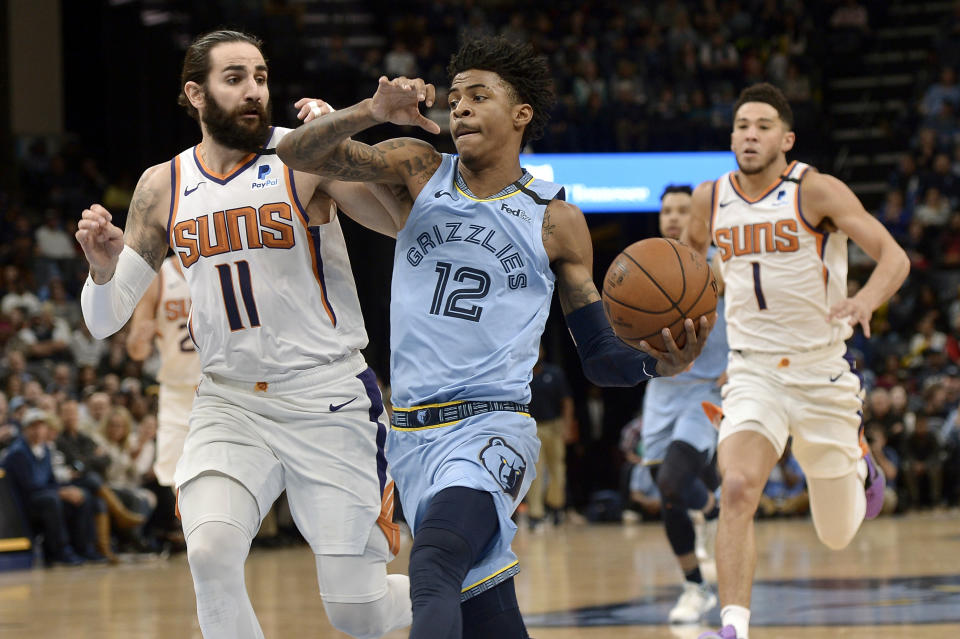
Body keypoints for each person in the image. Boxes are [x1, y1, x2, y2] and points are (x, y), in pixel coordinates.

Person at [277, 36, 713, 639]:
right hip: (410, 439)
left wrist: (655, 367)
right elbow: (298, 154)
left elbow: (601, 356)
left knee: (433, 566)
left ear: (520, 115)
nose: (460, 108)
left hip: (491, 432)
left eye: (479, 97)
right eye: (454, 98)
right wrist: (369, 114)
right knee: (489, 616)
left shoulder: (554, 220)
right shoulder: (418, 169)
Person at [75, 29, 411, 639]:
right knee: (209, 553)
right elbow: (104, 317)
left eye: (260, 77)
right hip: (229, 401)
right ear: (195, 94)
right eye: (235, 79)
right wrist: (102, 268)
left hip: (326, 396)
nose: (254, 91)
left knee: (357, 612)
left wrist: (346, 143)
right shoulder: (163, 185)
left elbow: (401, 224)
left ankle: (458, 602)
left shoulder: (301, 154)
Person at [684, 83, 910, 639]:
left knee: (836, 534)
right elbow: (696, 281)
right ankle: (733, 626)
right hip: (753, 369)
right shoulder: (708, 199)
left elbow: (894, 256)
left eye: (762, 126)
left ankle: (858, 461)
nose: (750, 135)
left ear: (786, 138)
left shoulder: (815, 191)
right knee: (736, 487)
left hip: (821, 371)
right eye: (741, 125)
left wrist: (863, 300)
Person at [642, 184, 727, 625]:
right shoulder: (645, 266)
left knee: (675, 480)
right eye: (668, 211)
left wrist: (744, 361)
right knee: (666, 492)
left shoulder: (719, 261)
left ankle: (711, 508)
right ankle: (696, 586)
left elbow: (752, 316)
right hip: (662, 388)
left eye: (684, 210)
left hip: (708, 389)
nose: (675, 218)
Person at [126, 254, 201, 492]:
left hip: (217, 385)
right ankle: (190, 528)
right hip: (176, 388)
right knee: (176, 477)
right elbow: (137, 352)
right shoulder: (159, 276)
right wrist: (140, 339)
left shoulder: (220, 266)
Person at [0, 409, 98, 565]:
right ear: (25, 429)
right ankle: (60, 551)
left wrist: (67, 489)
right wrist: (60, 492)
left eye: (41, 427)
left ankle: (85, 548)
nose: (38, 431)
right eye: (33, 427)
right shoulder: (17, 452)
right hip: (23, 505)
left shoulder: (45, 449)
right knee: (52, 500)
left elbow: (51, 480)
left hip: (45, 495)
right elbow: (29, 487)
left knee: (82, 495)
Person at [525, 344, 574, 530]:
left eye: (539, 349)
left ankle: (556, 506)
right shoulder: (522, 375)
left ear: (543, 352)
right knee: (535, 472)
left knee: (558, 470)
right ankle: (535, 513)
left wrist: (567, 427)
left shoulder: (555, 373)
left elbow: (567, 401)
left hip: (554, 426)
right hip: (532, 428)